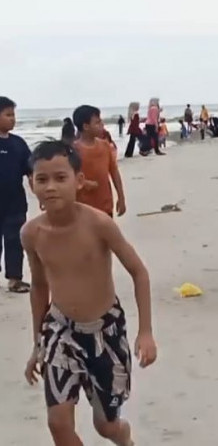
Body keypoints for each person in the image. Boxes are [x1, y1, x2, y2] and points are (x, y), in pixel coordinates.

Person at [21, 140, 157, 446]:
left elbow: (139, 272)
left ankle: (124, 438)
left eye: (60, 177)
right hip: (61, 330)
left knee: (106, 426)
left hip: (105, 333)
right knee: (58, 423)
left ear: (79, 181)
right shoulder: (32, 234)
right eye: (42, 179)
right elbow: (40, 286)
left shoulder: (99, 224)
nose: (51, 187)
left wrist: (145, 331)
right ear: (31, 185)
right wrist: (38, 344)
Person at [0, 96, 31, 294]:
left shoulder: (18, 144)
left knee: (15, 242)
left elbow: (32, 172)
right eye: (8, 114)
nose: (13, 119)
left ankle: (15, 279)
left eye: (14, 114)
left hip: (15, 204)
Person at [72, 105, 126, 218]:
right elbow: (68, 177)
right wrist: (85, 183)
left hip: (105, 205)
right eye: (97, 122)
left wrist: (121, 197)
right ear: (86, 126)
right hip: (82, 208)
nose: (102, 125)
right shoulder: (74, 150)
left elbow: (114, 172)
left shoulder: (105, 146)